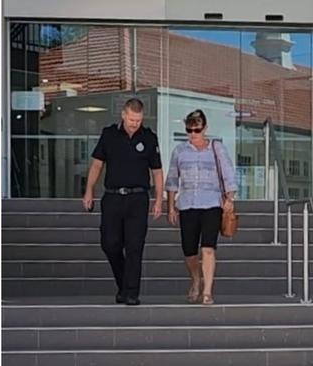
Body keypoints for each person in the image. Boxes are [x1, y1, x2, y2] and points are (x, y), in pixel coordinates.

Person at [82, 98, 164, 306]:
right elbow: (97, 166)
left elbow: (157, 172)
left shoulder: (148, 138)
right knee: (110, 244)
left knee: (135, 246)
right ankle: (123, 284)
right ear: (123, 115)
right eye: (131, 119)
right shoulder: (109, 135)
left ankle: (131, 293)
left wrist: (158, 199)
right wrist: (89, 191)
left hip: (138, 198)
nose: (134, 123)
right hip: (113, 197)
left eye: (138, 120)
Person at [165, 109, 237, 305]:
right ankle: (196, 279)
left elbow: (228, 174)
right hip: (187, 204)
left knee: (208, 248)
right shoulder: (179, 150)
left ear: (204, 128)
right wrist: (171, 206)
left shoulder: (216, 147)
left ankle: (207, 291)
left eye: (196, 130)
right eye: (189, 130)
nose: (193, 134)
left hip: (212, 203)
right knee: (189, 250)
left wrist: (229, 199)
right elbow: (172, 180)